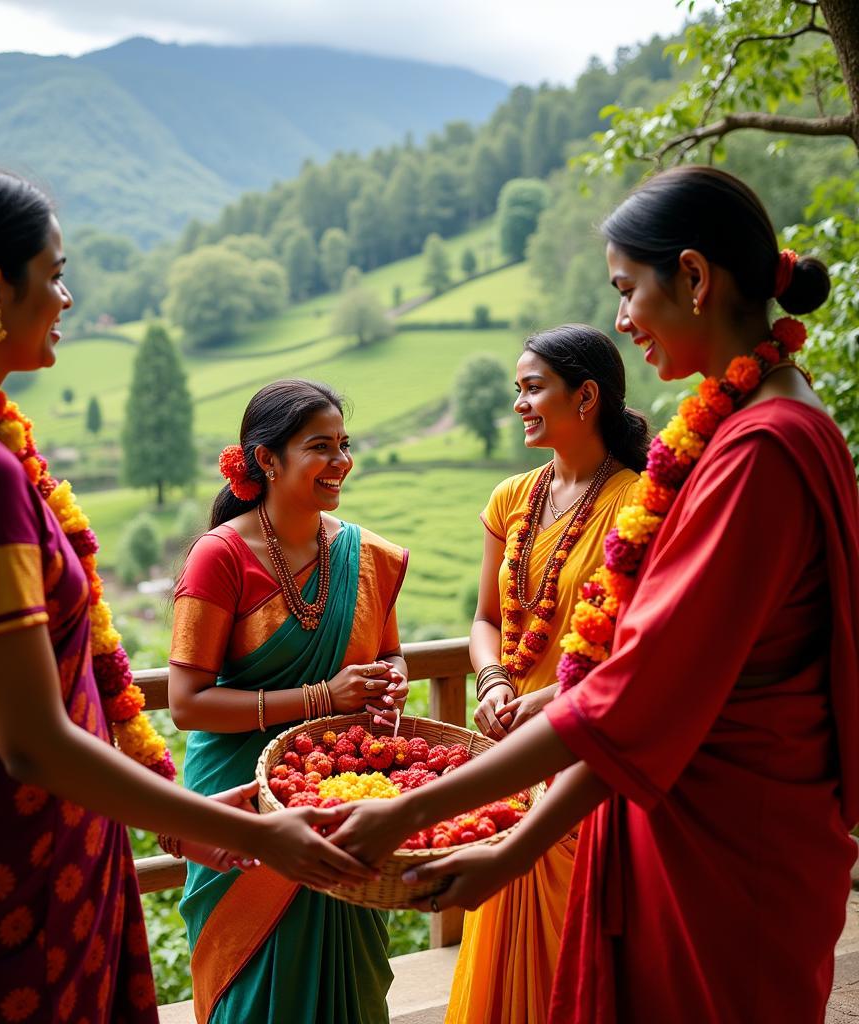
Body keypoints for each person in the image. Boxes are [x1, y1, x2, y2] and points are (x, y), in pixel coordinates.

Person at [0, 160, 370, 1024]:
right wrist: (252, 834)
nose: (68, 299)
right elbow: (33, 743)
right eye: (56, 275)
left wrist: (181, 817)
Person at [331, 165, 858, 1024]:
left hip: (728, 844)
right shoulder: (753, 424)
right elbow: (633, 701)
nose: (621, 321)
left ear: (693, 277)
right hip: (671, 798)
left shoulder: (760, 451)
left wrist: (423, 808)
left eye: (626, 289)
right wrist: (515, 835)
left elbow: (631, 697)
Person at [168, 378, 409, 1024]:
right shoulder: (219, 558)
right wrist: (319, 695)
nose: (340, 462)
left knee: (349, 984)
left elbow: (387, 652)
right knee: (253, 993)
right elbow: (187, 703)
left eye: (343, 445)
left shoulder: (366, 555)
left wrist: (392, 681)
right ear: (266, 460)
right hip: (243, 804)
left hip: (335, 793)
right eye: (320, 447)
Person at [447, 325, 644, 1024]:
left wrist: (553, 700)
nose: (519, 404)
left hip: (586, 744)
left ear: (585, 396)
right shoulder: (509, 499)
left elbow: (640, 651)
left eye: (533, 388)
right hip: (512, 744)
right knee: (500, 933)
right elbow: (484, 618)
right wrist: (495, 680)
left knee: (573, 947)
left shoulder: (639, 503)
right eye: (517, 390)